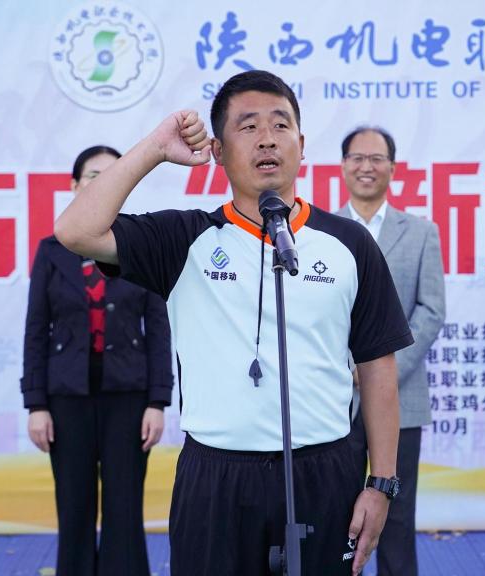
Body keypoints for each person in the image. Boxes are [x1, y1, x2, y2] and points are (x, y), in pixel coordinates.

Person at [54, 69, 412, 576]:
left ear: (302, 145)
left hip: (324, 474)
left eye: (281, 125)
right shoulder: (185, 239)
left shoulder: (349, 244)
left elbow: (378, 368)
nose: (267, 138)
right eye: (248, 126)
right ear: (217, 151)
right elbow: (75, 231)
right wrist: (155, 148)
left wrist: (381, 485)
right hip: (215, 480)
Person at [21, 145, 173, 576]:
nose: (102, 183)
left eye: (112, 175)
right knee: (74, 506)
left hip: (129, 397)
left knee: (125, 507)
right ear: (74, 186)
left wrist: (157, 402)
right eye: (93, 175)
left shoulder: (140, 247)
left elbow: (158, 329)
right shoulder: (52, 250)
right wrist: (36, 404)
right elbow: (36, 329)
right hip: (66, 398)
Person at [338, 127, 445, 576]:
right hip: (334, 399)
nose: (367, 167)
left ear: (393, 168)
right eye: (357, 158)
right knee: (336, 516)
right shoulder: (320, 231)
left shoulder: (421, 233)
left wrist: (380, 371)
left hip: (401, 399)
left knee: (397, 517)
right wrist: (345, 368)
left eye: (376, 159)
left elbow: (431, 310)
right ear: (343, 166)